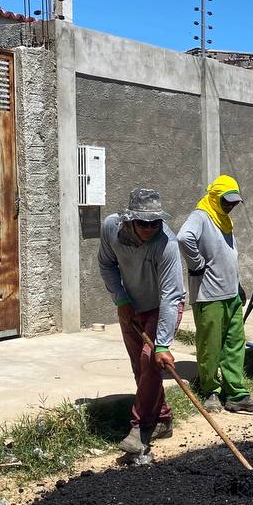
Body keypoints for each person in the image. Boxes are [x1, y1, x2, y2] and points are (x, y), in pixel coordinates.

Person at [98, 188, 186, 466]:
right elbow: (106, 264)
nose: (149, 229)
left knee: (151, 360)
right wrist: (121, 300)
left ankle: (139, 429)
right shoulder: (112, 228)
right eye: (143, 223)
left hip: (162, 305)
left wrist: (162, 344)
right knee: (141, 367)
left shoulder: (167, 244)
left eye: (155, 223)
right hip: (131, 305)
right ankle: (163, 419)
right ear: (130, 220)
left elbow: (172, 295)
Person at [177, 175, 253, 415]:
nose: (230, 206)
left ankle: (236, 393)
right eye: (226, 201)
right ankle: (211, 392)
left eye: (234, 202)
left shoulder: (223, 220)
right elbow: (184, 238)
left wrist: (236, 285)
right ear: (215, 196)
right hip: (209, 296)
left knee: (235, 344)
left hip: (230, 294)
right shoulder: (201, 216)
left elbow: (227, 255)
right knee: (210, 346)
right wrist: (196, 264)